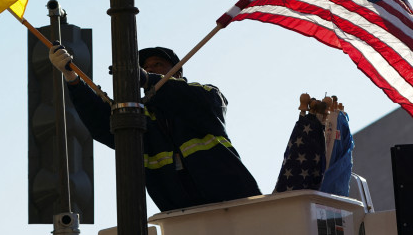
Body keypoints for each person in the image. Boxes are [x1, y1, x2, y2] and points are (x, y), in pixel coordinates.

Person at [49, 44, 261, 211]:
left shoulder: (205, 95)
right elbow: (102, 122)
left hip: (238, 203)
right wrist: (73, 79)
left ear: (177, 72)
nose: (149, 69)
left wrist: (147, 79)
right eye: (144, 67)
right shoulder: (138, 119)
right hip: (181, 215)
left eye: (157, 64)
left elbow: (202, 100)